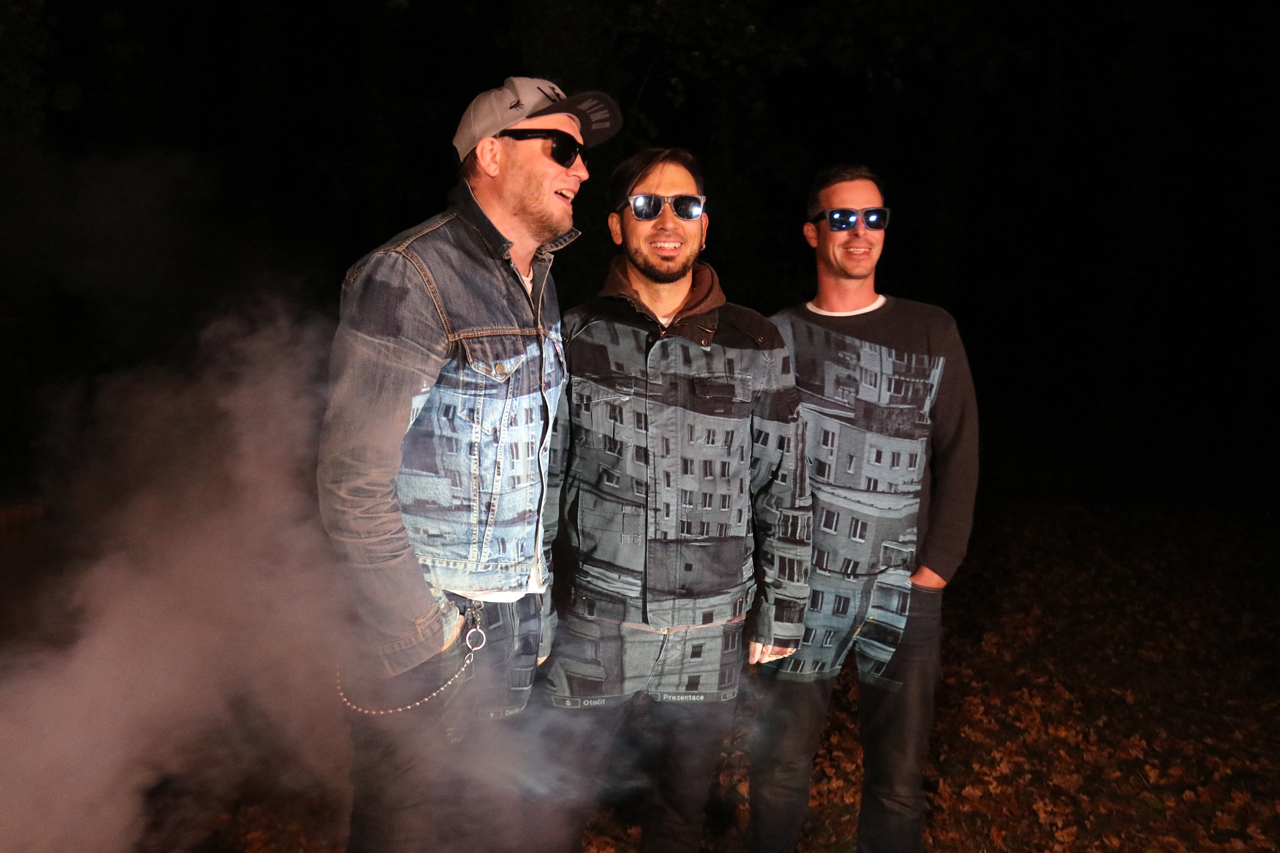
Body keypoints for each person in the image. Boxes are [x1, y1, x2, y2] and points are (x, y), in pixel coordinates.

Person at [315, 76, 620, 853]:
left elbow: (534, 460)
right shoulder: (410, 274)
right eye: (563, 149)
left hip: (514, 629)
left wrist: (535, 608)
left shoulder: (539, 281)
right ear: (490, 153)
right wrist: (428, 638)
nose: (583, 169)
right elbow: (351, 483)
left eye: (582, 155)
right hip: (432, 636)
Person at [529, 147, 812, 853]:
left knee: (683, 809)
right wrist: (530, 608)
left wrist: (783, 608)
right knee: (554, 804)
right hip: (595, 619)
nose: (667, 220)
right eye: (646, 205)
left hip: (712, 625)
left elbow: (783, 482)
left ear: (704, 226)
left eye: (685, 206)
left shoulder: (755, 341)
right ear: (616, 224)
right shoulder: (574, 334)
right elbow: (543, 479)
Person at [747, 165, 979, 853]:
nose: (859, 232)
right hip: (801, 594)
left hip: (903, 592)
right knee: (779, 769)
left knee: (898, 780)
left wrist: (937, 567)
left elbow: (960, 450)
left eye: (873, 218)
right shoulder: (776, 336)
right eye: (842, 218)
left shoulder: (930, 329)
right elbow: (755, 466)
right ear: (812, 232)